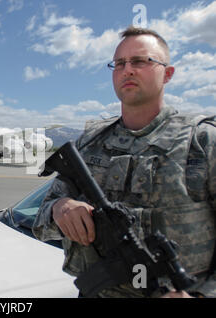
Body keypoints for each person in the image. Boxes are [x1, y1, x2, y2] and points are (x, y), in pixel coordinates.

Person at [32, 26, 215, 298]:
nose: (127, 70)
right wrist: (61, 208)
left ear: (167, 74)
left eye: (140, 61)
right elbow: (41, 220)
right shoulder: (90, 142)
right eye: (119, 63)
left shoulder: (203, 141)